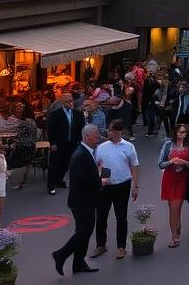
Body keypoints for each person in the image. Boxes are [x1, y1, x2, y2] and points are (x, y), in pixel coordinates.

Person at [51, 124, 102, 276]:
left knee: (84, 231)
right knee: (84, 231)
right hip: (82, 201)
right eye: (96, 136)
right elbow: (80, 180)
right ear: (86, 137)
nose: (98, 138)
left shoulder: (86, 152)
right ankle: (61, 254)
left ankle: (78, 263)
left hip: (85, 200)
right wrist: (100, 182)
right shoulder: (81, 155)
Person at [91, 119, 139, 260]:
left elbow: (135, 166)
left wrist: (135, 186)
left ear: (118, 131)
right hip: (105, 186)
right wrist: (98, 180)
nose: (108, 132)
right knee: (101, 216)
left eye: (111, 130)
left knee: (121, 216)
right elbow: (95, 164)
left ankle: (121, 247)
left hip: (122, 185)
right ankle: (101, 245)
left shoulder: (128, 147)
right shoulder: (102, 147)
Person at [158, 122, 189, 247]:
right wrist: (170, 162)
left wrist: (184, 162)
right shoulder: (168, 145)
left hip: (183, 179)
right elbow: (160, 163)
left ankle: (174, 237)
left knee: (176, 205)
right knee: (172, 206)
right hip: (169, 178)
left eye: (184, 132)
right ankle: (177, 225)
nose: (182, 135)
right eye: (180, 132)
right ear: (175, 132)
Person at [47, 92, 85, 195]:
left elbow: (82, 128)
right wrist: (53, 143)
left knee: (66, 163)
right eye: (68, 101)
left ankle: (59, 180)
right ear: (63, 102)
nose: (70, 103)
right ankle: (51, 185)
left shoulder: (78, 114)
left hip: (72, 142)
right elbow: (51, 130)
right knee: (55, 163)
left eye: (71, 100)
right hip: (59, 143)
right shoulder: (55, 114)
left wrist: (81, 142)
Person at [7, 111, 40, 191]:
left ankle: (19, 182)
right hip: (32, 146)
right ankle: (23, 181)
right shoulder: (31, 121)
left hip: (23, 146)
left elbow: (18, 135)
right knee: (27, 163)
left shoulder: (22, 124)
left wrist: (12, 140)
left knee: (15, 163)